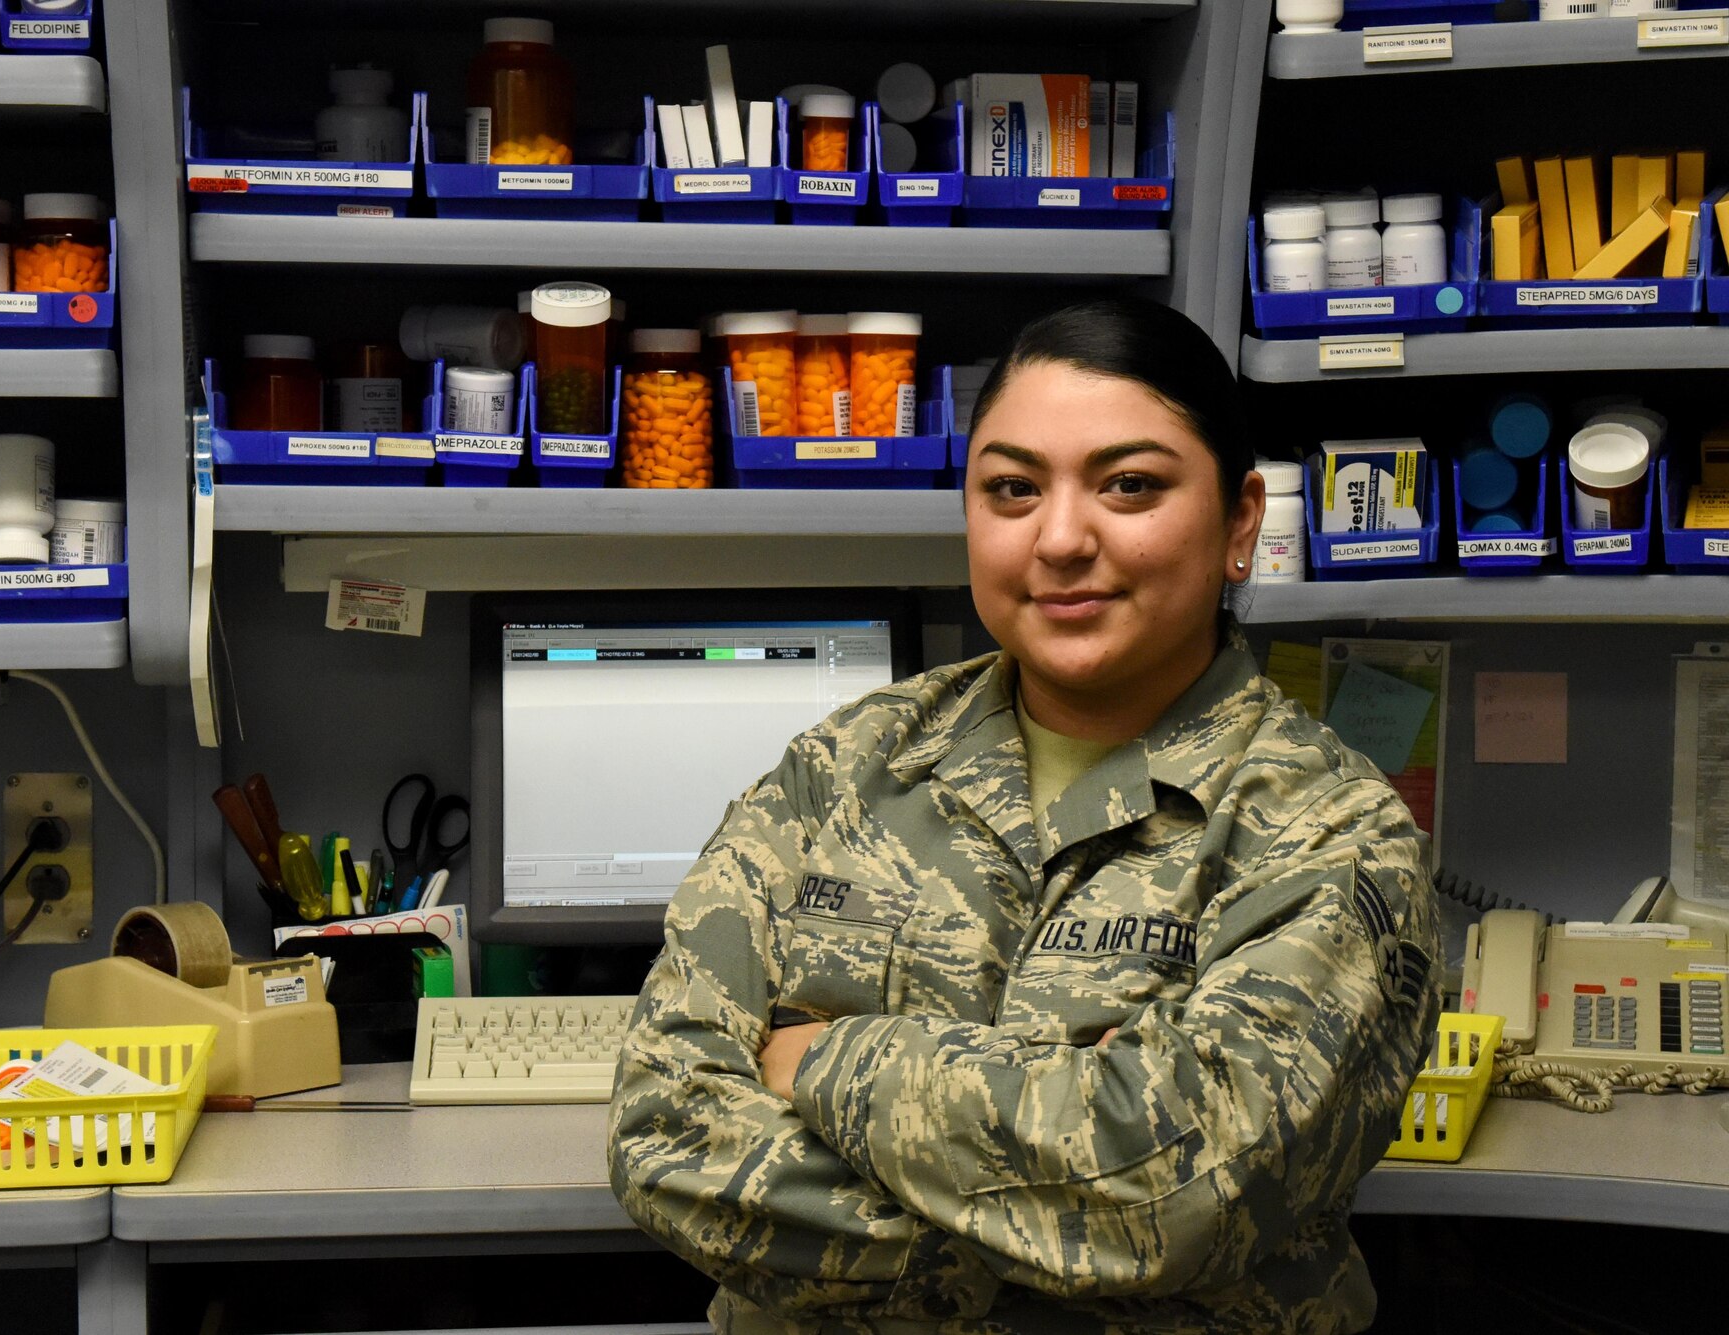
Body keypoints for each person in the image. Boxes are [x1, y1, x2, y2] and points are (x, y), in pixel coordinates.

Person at [607, 297, 1442, 1334]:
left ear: (1239, 523)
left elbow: (1180, 1197)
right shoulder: (847, 765)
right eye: (1010, 490)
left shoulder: (1329, 833)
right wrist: (1048, 1252)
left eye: (1128, 486)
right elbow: (665, 1135)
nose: (1057, 539)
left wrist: (829, 1060)